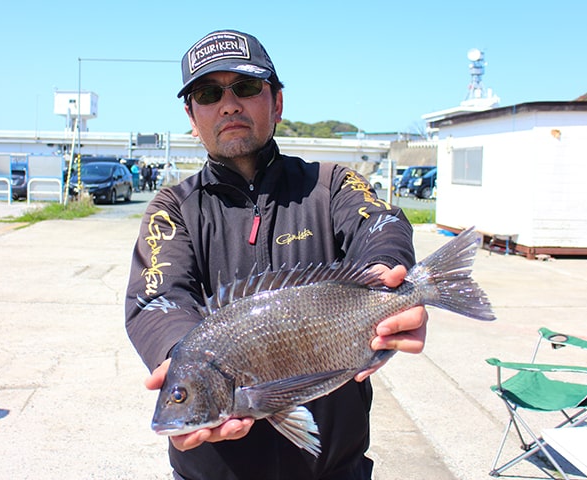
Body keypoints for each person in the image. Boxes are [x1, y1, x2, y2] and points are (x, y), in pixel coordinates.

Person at [125, 29, 428, 480]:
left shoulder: (333, 183)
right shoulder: (173, 209)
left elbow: (380, 222)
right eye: (208, 93)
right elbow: (159, 297)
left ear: (277, 102)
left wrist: (388, 277)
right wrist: (186, 362)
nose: (228, 105)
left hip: (335, 468)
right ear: (191, 115)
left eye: (245, 88)